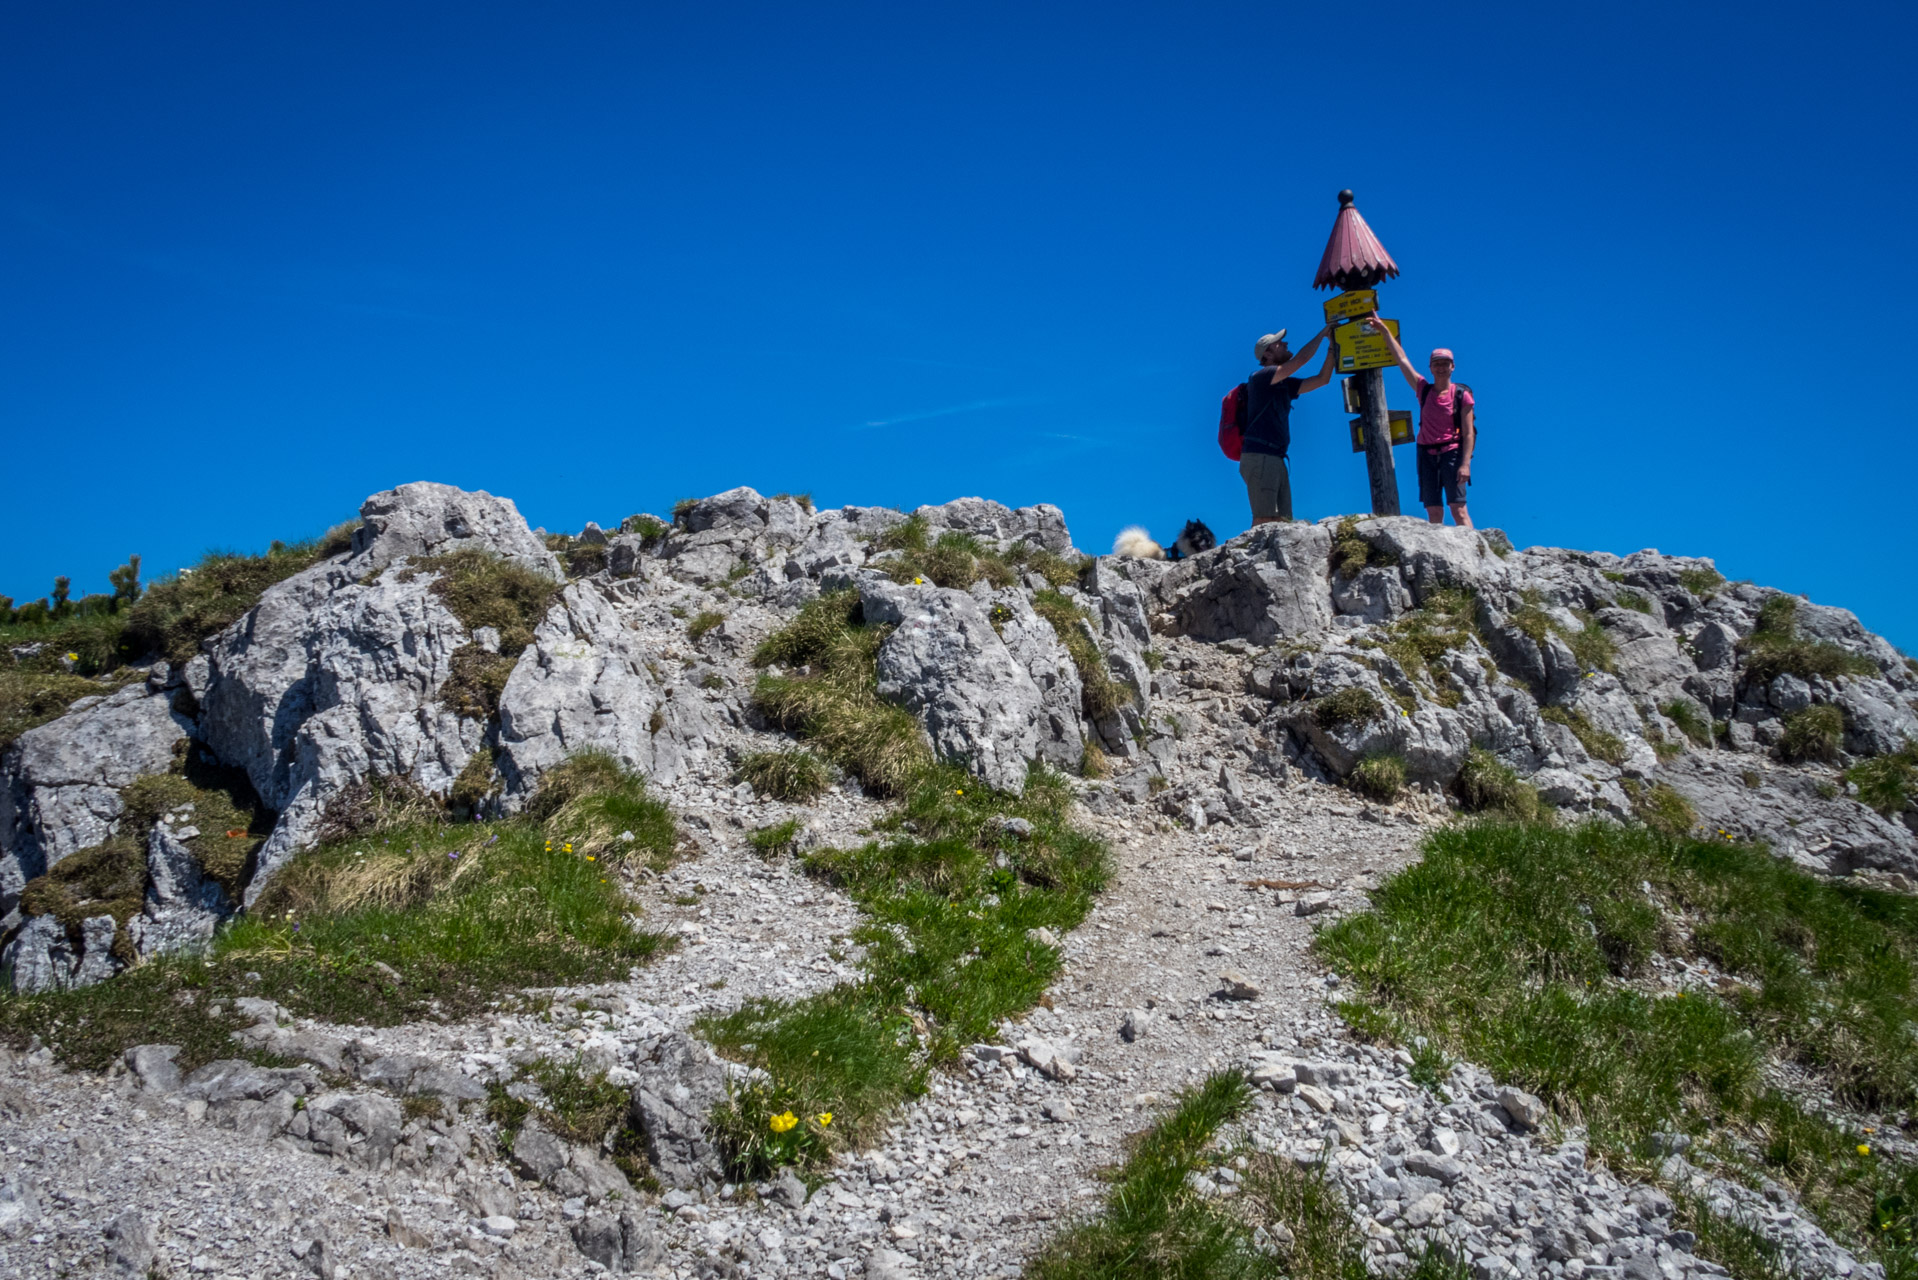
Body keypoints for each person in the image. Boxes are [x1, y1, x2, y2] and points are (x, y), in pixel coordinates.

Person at [1368, 314, 1474, 527]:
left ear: (1453, 367)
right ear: (1430, 367)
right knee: (1433, 511)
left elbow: (1469, 432)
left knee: (1458, 509)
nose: (1441, 368)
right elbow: (1402, 360)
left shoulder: (1461, 395)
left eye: (1445, 364)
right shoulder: (1423, 389)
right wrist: (1384, 331)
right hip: (1426, 453)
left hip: (1452, 452)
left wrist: (1465, 464)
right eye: (1437, 364)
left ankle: (1475, 553)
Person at [1240, 325, 1337, 525]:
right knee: (1265, 517)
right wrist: (1322, 334)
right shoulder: (1261, 377)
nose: (1285, 343)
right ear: (1267, 354)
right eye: (1278, 343)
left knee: (1283, 521)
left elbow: (1322, 379)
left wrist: (1332, 349)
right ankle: (1253, 555)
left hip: (1273, 457)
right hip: (1261, 456)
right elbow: (1300, 361)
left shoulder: (1283, 383)